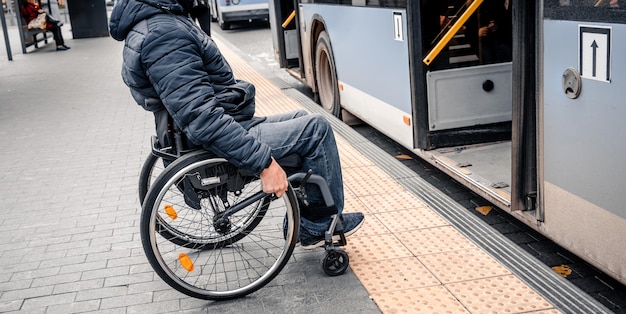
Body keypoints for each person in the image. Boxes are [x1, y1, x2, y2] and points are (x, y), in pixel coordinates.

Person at [109, 0, 364, 249]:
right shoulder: (164, 35)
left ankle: (305, 216)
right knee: (316, 130)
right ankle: (316, 226)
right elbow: (202, 119)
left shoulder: (156, 22)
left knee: (300, 117)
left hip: (211, 128)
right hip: (212, 140)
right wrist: (263, 164)